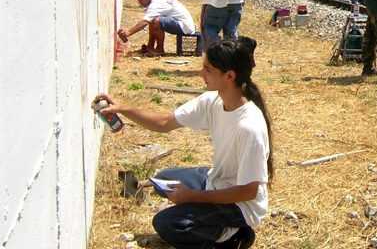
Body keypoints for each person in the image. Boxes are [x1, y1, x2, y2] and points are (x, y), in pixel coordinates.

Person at [93, 37, 271, 249]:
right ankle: (213, 221)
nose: (200, 73)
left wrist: (193, 196)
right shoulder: (213, 101)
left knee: (167, 224)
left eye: (208, 69)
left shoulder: (249, 127)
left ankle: (232, 237)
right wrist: (123, 109)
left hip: (240, 206)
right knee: (163, 180)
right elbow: (164, 122)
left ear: (229, 76)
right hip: (219, 180)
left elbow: (248, 191)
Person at [118, 0, 196, 56]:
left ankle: (159, 50)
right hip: (182, 23)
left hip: (184, 26)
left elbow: (145, 22)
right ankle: (150, 47)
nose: (140, 2)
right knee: (153, 20)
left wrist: (128, 32)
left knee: (156, 21)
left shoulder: (156, 3)